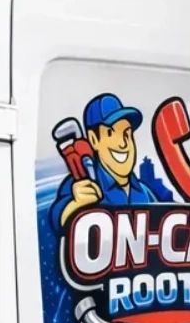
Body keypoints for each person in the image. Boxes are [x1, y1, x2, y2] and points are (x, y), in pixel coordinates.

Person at [50, 92, 175, 235]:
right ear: (93, 139)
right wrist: (74, 206)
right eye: (110, 133)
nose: (123, 144)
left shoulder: (145, 193)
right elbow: (57, 218)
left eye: (127, 134)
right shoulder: (81, 185)